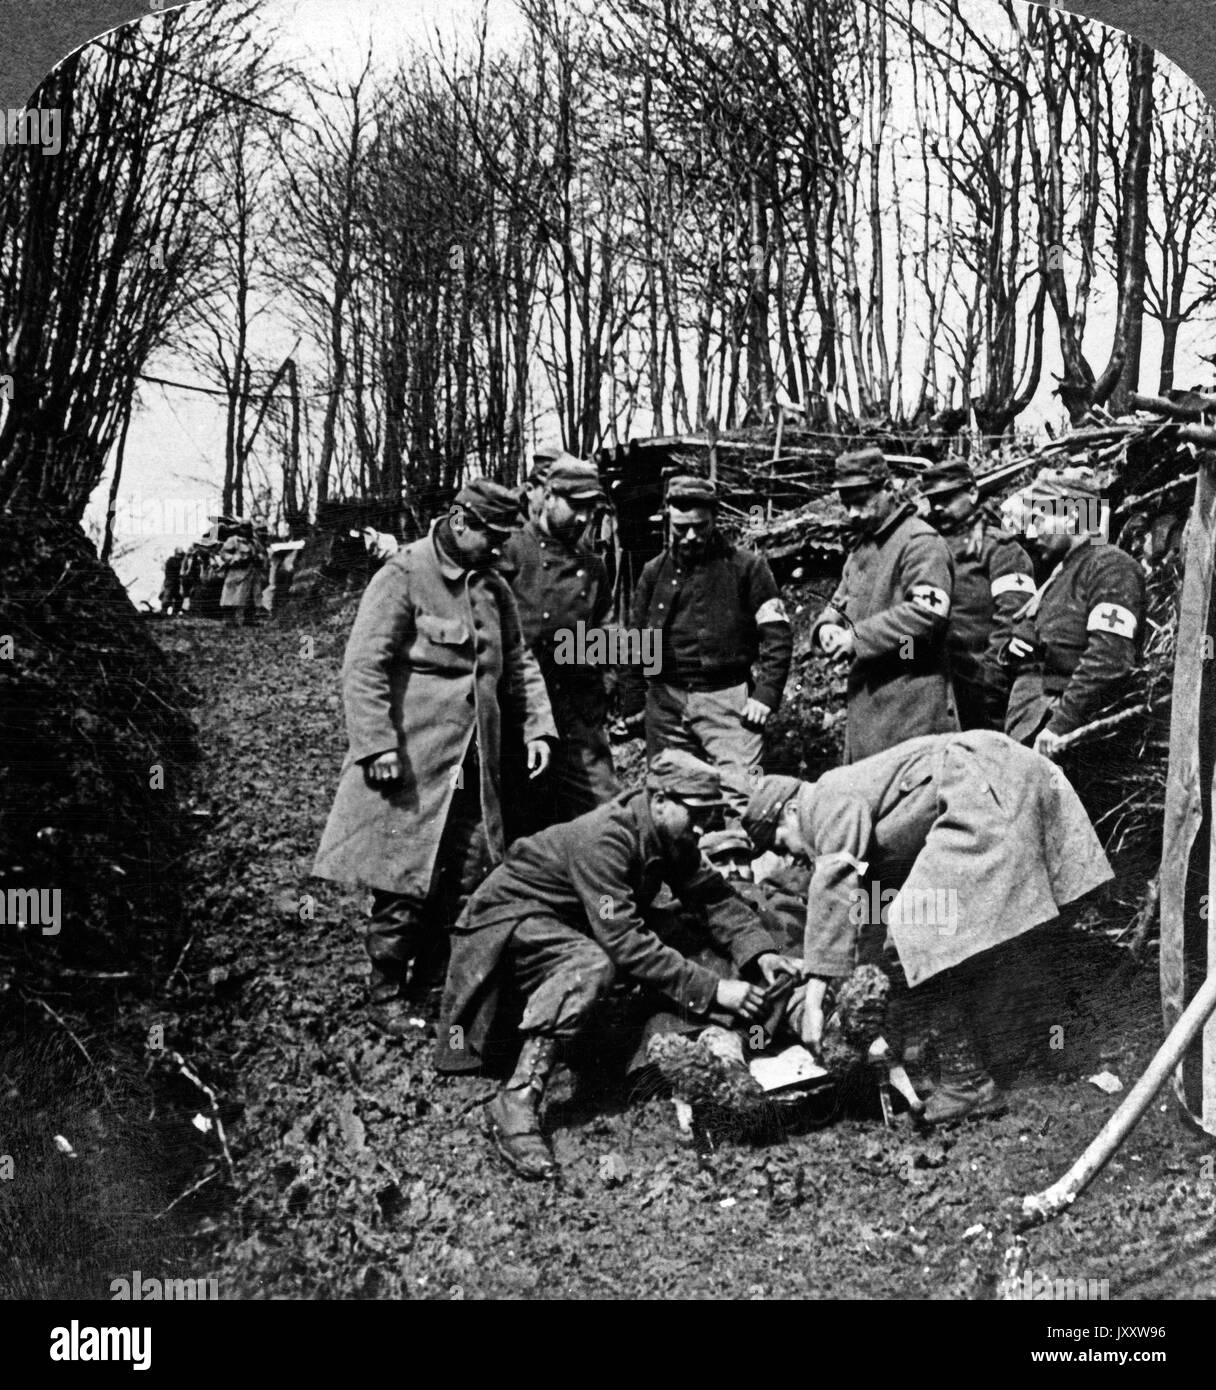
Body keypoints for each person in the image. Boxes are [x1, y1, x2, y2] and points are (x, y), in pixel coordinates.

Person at [436, 751, 799, 1179]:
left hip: (572, 921)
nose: (703, 829)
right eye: (697, 816)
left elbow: (713, 896)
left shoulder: (667, 832)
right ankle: (518, 1096)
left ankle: (710, 1042)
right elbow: (625, 942)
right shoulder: (604, 839)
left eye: (710, 817)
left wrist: (761, 952)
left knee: (683, 928)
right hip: (507, 928)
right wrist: (715, 990)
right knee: (592, 964)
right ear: (661, 799)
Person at [743, 729, 1112, 1123]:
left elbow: (835, 881)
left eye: (783, 844)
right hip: (1003, 772)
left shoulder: (824, 799)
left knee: (921, 924)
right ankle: (1061, 1048)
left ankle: (968, 1084)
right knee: (979, 928)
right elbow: (867, 911)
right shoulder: (854, 801)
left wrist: (814, 999)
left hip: (977, 780)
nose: (793, 858)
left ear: (789, 813)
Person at [313, 479, 557, 1037]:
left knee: (469, 875)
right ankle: (386, 991)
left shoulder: (492, 588)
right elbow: (364, 668)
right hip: (414, 765)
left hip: (476, 766)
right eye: (490, 538)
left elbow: (518, 663)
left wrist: (539, 726)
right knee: (405, 880)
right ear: (460, 520)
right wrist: (375, 746)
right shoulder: (402, 574)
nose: (498, 550)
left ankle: (436, 985)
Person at [622, 475, 792, 817]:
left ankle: (737, 869)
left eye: (699, 527)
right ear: (669, 519)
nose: (690, 537)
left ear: (714, 519)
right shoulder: (653, 572)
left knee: (742, 799)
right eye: (681, 527)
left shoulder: (747, 568)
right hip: (666, 703)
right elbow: (634, 639)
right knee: (668, 799)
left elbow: (778, 634)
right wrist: (632, 698)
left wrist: (766, 694)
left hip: (728, 702)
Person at [813, 448, 958, 763]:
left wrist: (856, 638)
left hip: (911, 701)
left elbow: (926, 614)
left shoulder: (920, 543)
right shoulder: (861, 550)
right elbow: (840, 600)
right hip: (867, 701)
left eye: (861, 500)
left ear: (889, 489)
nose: (852, 513)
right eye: (846, 503)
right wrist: (827, 626)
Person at [500, 457, 618, 832]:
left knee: (605, 814)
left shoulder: (593, 565)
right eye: (575, 505)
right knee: (521, 817)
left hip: (575, 711)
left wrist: (606, 685)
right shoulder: (512, 550)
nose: (584, 518)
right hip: (518, 709)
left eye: (590, 508)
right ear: (548, 496)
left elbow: (607, 632)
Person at [1001, 468, 1146, 760]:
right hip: (1033, 723)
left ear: (1070, 516)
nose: (1030, 532)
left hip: (1071, 736)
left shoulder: (1110, 566)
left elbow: (1109, 658)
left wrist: (1060, 725)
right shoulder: (1061, 572)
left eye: (1038, 519)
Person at [920, 459, 1034, 731]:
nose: (938, 507)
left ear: (972, 492)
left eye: (947, 498)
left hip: (980, 686)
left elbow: (1013, 616)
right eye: (933, 499)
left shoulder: (1000, 548)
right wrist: (906, 662)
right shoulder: (922, 550)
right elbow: (905, 616)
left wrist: (991, 679)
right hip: (932, 688)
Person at [217, 522, 268, 626]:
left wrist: (260, 557)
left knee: (251, 598)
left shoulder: (254, 542)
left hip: (252, 573)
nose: (247, 531)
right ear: (240, 529)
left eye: (249, 528)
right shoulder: (233, 541)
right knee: (231, 598)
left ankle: (249, 620)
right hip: (236, 573)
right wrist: (234, 559)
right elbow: (223, 553)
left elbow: (262, 553)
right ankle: (230, 621)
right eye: (245, 528)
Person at [159, 548, 186, 616]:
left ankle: (175, 612)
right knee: (168, 595)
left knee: (178, 597)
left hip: (176, 582)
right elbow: (175, 568)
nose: (180, 556)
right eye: (179, 555)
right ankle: (164, 611)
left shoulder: (178, 561)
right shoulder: (172, 560)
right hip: (170, 581)